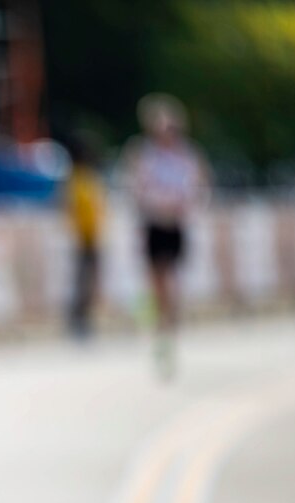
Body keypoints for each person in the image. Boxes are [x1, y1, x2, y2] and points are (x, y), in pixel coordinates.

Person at [121, 93, 211, 378]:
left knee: (170, 278)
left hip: (175, 225)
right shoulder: (143, 153)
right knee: (156, 280)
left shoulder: (187, 154)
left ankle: (168, 330)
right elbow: (134, 186)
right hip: (153, 223)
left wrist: (187, 203)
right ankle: (161, 329)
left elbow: (199, 185)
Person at [63, 131, 106, 339]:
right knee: (82, 282)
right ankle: (78, 319)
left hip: (93, 238)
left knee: (89, 282)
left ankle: (85, 318)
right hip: (83, 239)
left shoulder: (86, 178)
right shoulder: (78, 180)